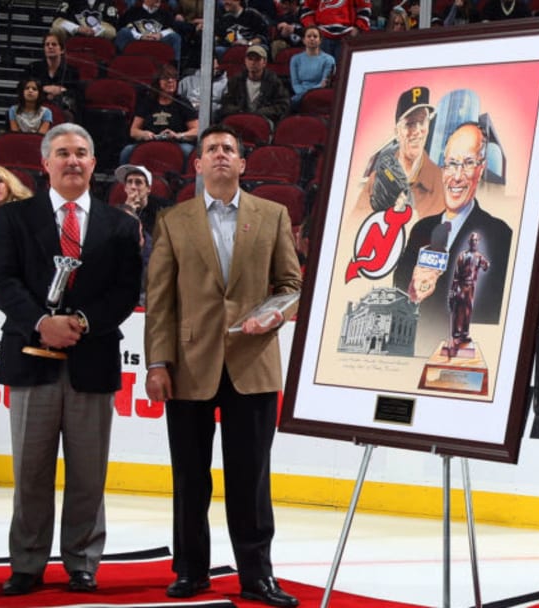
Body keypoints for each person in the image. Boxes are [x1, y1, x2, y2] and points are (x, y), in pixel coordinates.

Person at [143, 124, 302, 607]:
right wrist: (157, 363)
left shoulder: (273, 216)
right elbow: (160, 300)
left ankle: (257, 575)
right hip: (189, 365)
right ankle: (191, 570)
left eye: (228, 149)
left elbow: (291, 286)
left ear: (242, 163)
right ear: (197, 164)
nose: (219, 156)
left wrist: (273, 315)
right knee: (190, 476)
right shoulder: (174, 220)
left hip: (252, 364)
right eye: (210, 149)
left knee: (250, 476)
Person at [0, 123, 143, 596]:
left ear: (95, 164)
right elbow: (3, 283)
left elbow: (125, 291)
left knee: (88, 472)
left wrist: (81, 324)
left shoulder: (121, 225)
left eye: (81, 153)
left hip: (92, 362)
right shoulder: (14, 219)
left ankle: (82, 562)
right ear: (45, 163)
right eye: (62, 153)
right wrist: (42, 322)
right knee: (30, 471)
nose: (72, 160)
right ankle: (27, 563)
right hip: (30, 360)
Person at [393, 122, 511, 356]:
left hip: (461, 361)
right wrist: (412, 289)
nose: (456, 177)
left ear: (481, 169)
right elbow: (398, 285)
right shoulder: (422, 228)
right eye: (452, 164)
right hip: (411, 354)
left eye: (468, 164)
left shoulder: (500, 234)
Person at [353, 86, 443, 221]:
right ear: (397, 132)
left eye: (423, 121)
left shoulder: (441, 180)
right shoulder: (377, 178)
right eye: (410, 123)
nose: (418, 131)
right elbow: (353, 227)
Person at [120, 64, 198, 166]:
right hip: (150, 142)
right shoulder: (147, 102)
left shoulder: (182, 103)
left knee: (188, 151)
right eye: (166, 78)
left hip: (177, 143)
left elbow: (196, 131)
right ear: (157, 82)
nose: (170, 81)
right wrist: (144, 134)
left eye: (173, 78)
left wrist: (178, 135)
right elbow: (133, 131)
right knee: (127, 151)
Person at [220, 45, 291, 124]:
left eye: (257, 59)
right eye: (250, 59)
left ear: (264, 62)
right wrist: (239, 111)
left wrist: (262, 112)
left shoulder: (274, 81)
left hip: (264, 119)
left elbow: (283, 105)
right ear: (245, 61)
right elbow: (226, 103)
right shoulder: (236, 80)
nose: (253, 63)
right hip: (239, 117)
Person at [448, 232, 490, 357]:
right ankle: (456, 335)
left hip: (471, 287)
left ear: (478, 242)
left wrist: (485, 264)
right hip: (461, 285)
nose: (474, 242)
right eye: (472, 240)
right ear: (469, 242)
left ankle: (464, 334)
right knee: (458, 311)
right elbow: (456, 274)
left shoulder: (479, 256)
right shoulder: (463, 255)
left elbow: (486, 266)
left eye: (476, 240)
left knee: (467, 311)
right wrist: (454, 289)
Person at [25, 31, 82, 121]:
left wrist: (61, 91)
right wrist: (44, 90)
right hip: (38, 104)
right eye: (47, 45)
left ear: (62, 50)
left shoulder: (71, 71)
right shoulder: (33, 68)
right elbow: (26, 88)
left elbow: (76, 93)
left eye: (54, 44)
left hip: (62, 106)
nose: (50, 47)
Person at [115, 0, 184, 65]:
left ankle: (173, 70)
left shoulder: (166, 14)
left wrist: (160, 35)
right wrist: (140, 36)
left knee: (176, 37)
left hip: (159, 40)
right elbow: (126, 27)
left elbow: (172, 29)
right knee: (123, 32)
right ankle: (119, 64)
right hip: (137, 39)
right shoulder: (132, 11)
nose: (158, 0)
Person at [299, 0, 371, 60]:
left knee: (343, 73)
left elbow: (364, 8)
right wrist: (312, 27)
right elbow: (306, 8)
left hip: (347, 36)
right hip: (322, 36)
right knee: (322, 73)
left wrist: (358, 27)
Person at [114, 163, 172, 237]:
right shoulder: (116, 212)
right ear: (125, 188)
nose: (133, 187)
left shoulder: (164, 210)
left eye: (138, 182)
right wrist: (127, 211)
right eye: (129, 182)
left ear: (149, 189)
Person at [289, 26, 334, 107]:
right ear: (303, 40)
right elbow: (295, 84)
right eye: (309, 36)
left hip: (319, 94)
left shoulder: (329, 60)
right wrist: (303, 95)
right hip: (299, 96)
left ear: (320, 40)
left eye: (315, 36)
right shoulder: (295, 59)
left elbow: (323, 84)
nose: (312, 39)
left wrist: (307, 93)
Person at [177, 57, 228, 121]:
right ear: (202, 65)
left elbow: (225, 105)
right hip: (188, 114)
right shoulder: (187, 81)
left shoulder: (224, 83)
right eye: (213, 67)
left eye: (217, 68)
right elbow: (177, 100)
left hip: (212, 116)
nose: (216, 67)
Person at [53, 0, 120, 40]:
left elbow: (113, 26)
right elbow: (58, 20)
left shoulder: (108, 1)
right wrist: (77, 28)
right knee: (57, 26)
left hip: (98, 35)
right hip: (75, 32)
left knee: (112, 30)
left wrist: (93, 30)